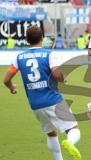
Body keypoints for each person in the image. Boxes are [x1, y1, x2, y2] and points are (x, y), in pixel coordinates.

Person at [3, 26, 81, 160]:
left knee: (51, 133)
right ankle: (70, 142)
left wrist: (12, 87)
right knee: (74, 129)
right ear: (42, 38)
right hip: (53, 100)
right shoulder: (49, 54)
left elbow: (6, 79)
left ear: (27, 40)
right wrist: (63, 78)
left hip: (36, 104)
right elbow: (57, 74)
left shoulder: (19, 57)